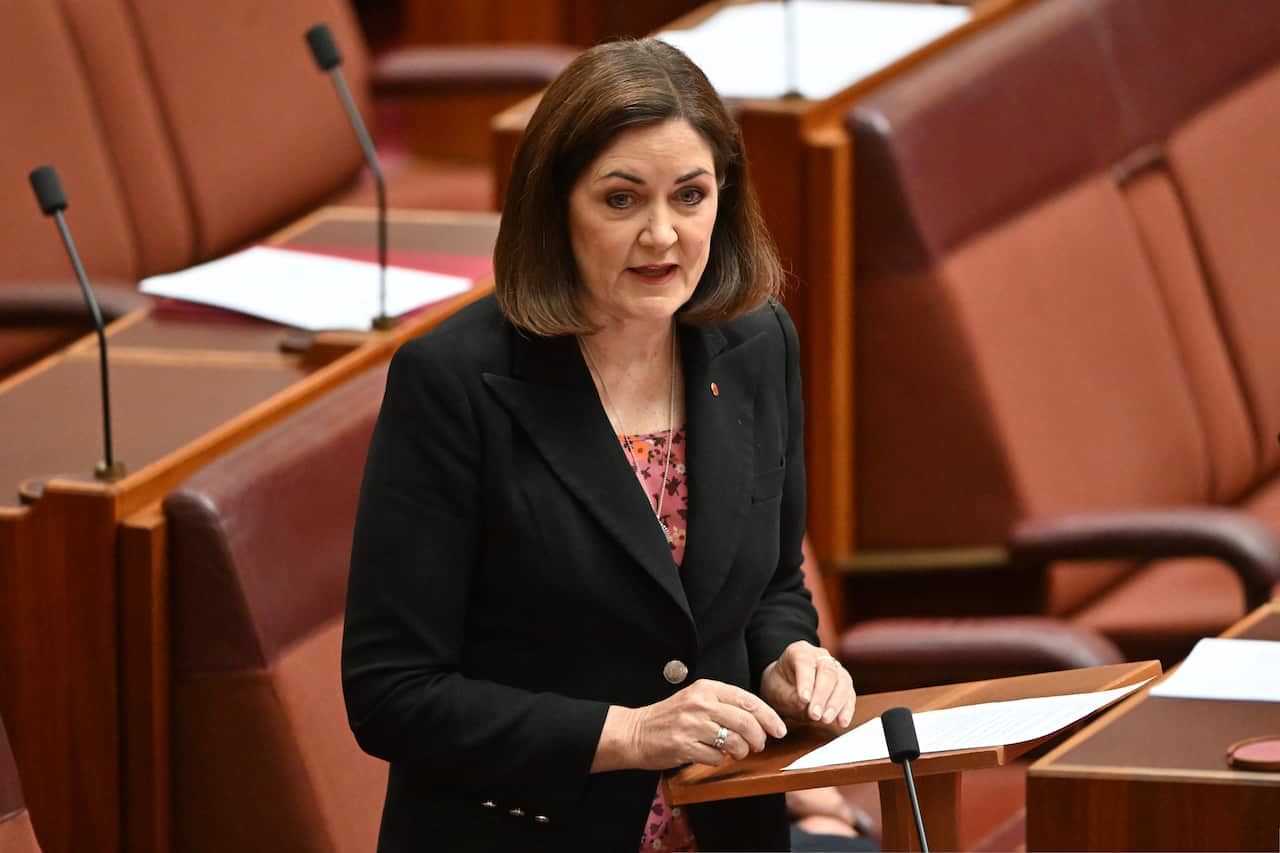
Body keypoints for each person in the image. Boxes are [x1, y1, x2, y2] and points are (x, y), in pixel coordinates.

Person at [342, 38, 857, 852]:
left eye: (691, 195)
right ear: (556, 207)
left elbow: (771, 583)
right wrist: (630, 734)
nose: (663, 234)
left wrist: (786, 655)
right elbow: (392, 692)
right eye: (622, 200)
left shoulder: (756, 341)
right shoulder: (451, 383)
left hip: (724, 826)